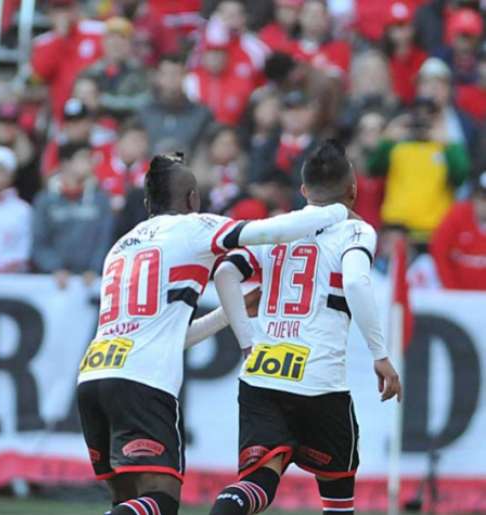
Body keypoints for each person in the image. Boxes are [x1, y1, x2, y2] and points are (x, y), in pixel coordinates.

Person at [77, 152, 351, 515]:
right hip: (141, 383)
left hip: (94, 378)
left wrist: (227, 314)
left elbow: (173, 337)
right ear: (193, 198)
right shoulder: (195, 227)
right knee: (161, 501)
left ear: (147, 202)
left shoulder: (121, 247)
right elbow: (269, 232)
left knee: (130, 504)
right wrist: (336, 211)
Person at [210, 140, 402, 515]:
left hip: (262, 375)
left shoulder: (277, 228)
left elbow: (225, 271)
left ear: (302, 191)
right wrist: (380, 354)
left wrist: (246, 339)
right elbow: (357, 283)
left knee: (256, 483)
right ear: (353, 190)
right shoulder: (356, 232)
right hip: (319, 381)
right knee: (337, 494)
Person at [368, 96, 471, 242]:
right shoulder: (396, 145)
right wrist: (387, 139)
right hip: (397, 230)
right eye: (417, 115)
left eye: (429, 115)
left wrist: (450, 146)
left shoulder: (446, 147)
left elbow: (460, 176)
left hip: (433, 231)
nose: (422, 120)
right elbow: (373, 169)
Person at [32, 142, 115, 288]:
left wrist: (94, 269)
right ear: (66, 164)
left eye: (90, 158)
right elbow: (39, 241)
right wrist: (55, 268)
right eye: (83, 158)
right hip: (53, 281)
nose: (90, 163)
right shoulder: (45, 200)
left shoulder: (101, 200)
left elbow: (105, 239)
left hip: (91, 280)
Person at [30, 0, 104, 120]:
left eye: (66, 8)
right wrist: (59, 38)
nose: (63, 14)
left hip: (96, 112)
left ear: (76, 9)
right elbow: (40, 74)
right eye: (57, 9)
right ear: (50, 13)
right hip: (62, 115)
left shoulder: (96, 31)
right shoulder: (43, 42)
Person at [139, 54, 214, 155]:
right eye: (166, 74)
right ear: (157, 77)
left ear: (185, 77)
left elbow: (206, 152)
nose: (171, 79)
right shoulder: (144, 112)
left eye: (176, 74)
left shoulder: (201, 114)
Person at [81, 17, 151, 119]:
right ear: (103, 42)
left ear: (130, 44)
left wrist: (103, 101)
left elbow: (144, 102)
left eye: (122, 37)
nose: (116, 43)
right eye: (111, 37)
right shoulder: (90, 72)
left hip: (131, 128)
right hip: (96, 128)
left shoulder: (141, 71)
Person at [429, 171, 486, 290]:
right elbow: (439, 249)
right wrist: (451, 287)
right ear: (475, 197)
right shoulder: (458, 215)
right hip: (457, 296)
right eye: (483, 198)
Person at [184, 39, 255, 126]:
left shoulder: (242, 81)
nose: (216, 57)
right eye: (211, 52)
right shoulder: (192, 79)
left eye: (220, 53)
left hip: (232, 130)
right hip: (198, 131)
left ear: (227, 56)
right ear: (203, 56)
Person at [93, 121, 150, 211]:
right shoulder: (99, 163)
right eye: (134, 140)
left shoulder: (151, 170)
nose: (141, 146)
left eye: (143, 141)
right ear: (119, 142)